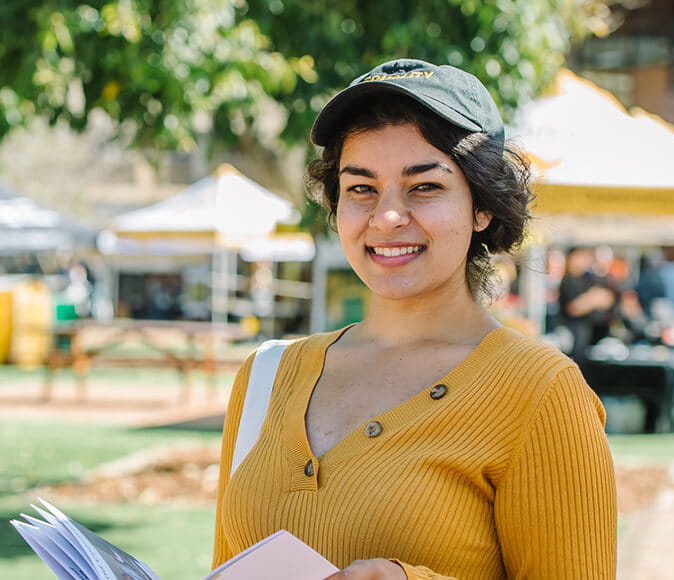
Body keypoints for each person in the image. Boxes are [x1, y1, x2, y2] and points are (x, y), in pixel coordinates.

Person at [212, 59, 616, 579]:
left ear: (482, 207)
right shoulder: (265, 377)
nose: (387, 216)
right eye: (361, 188)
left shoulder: (541, 393)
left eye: (424, 187)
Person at [558, 246, 618, 359]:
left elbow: (607, 298)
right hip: (574, 333)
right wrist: (591, 299)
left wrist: (592, 300)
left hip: (593, 333)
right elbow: (573, 308)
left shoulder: (589, 278)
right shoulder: (568, 281)